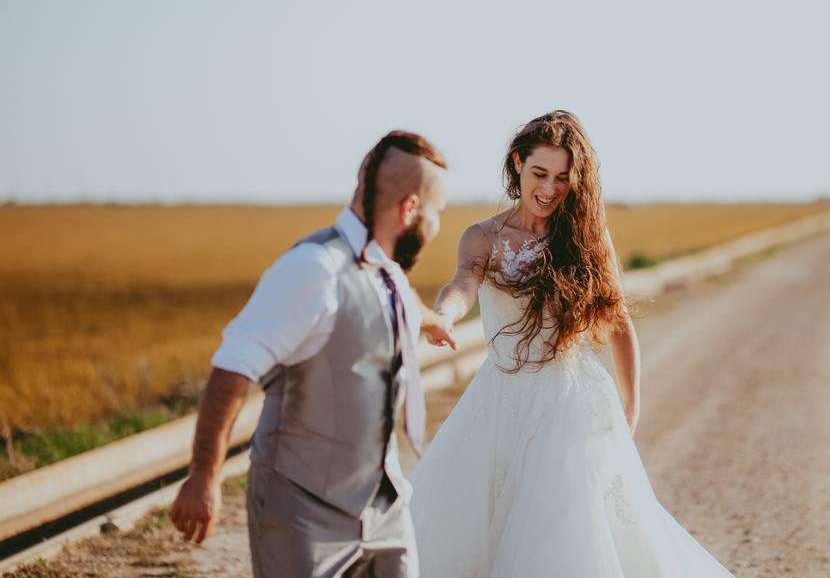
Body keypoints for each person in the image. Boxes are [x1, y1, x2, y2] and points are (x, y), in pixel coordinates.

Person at [410, 111, 735, 577]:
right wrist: (443, 315)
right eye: (540, 173)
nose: (550, 188)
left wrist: (632, 401)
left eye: (563, 178)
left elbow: (618, 319)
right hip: (498, 402)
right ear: (518, 164)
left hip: (572, 403)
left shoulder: (586, 237)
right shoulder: (483, 237)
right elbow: (462, 283)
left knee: (566, 528)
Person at [170, 130, 453, 577]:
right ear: (410, 210)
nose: (438, 227)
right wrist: (204, 477)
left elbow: (392, 295)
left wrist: (431, 321)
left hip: (384, 507)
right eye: (437, 213)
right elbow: (232, 369)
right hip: (302, 513)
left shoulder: (389, 271)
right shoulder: (312, 270)